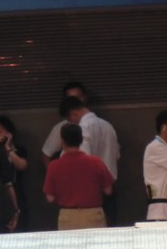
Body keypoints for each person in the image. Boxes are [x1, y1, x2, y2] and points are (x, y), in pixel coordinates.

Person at [59, 96, 120, 225]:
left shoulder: (82, 129)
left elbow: (82, 161)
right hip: (110, 186)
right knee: (109, 231)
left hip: (90, 193)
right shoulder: (108, 126)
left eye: (69, 119)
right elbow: (117, 156)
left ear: (74, 114)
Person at [43, 123, 114, 230]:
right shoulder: (96, 162)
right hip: (93, 215)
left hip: (67, 217)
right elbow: (108, 190)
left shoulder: (53, 166)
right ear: (81, 140)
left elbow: (50, 197)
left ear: (62, 141)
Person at [0, 115, 29, 231]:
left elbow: (22, 166)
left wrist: (8, 148)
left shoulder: (18, 150)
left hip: (17, 195)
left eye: (0, 132)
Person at [41, 81, 88, 168]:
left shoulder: (99, 125)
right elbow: (46, 155)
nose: (75, 101)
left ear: (85, 98)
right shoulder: (61, 127)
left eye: (78, 97)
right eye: (71, 98)